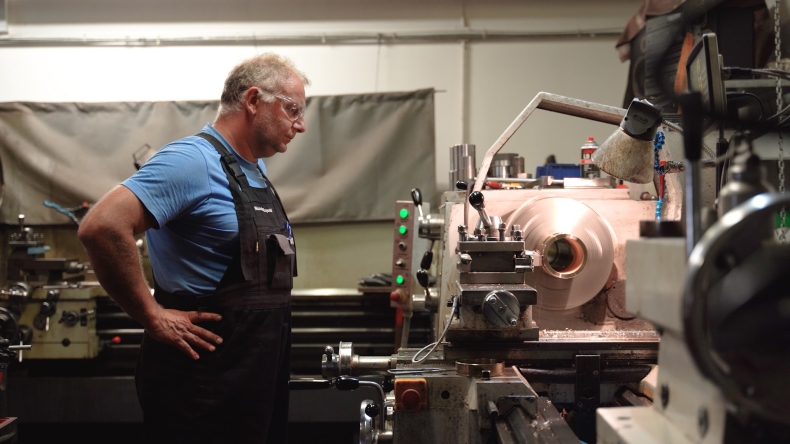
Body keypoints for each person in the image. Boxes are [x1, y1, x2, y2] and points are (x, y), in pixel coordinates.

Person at [78, 52, 309, 444]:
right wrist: (151, 314)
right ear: (253, 101)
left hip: (254, 378)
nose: (300, 125)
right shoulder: (192, 161)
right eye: (292, 110)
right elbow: (101, 226)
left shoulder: (253, 169)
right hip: (203, 384)